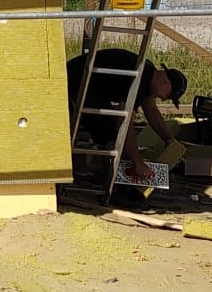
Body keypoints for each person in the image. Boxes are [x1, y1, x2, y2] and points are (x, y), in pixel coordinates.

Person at [66, 49, 186, 188]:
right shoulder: (139, 80)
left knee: (112, 128)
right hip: (76, 85)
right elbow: (125, 124)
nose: (165, 99)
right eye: (169, 96)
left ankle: (110, 175)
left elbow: (152, 111)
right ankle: (114, 182)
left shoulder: (146, 73)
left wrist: (169, 140)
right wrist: (138, 162)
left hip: (90, 86)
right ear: (165, 83)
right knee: (110, 131)